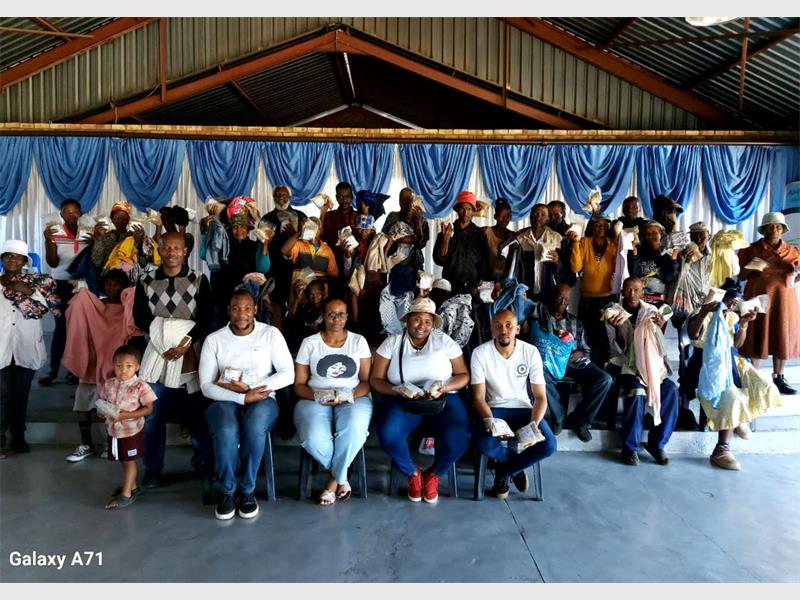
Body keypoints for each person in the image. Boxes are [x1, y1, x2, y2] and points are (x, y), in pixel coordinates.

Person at [199, 289, 294, 520]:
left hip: (262, 398)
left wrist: (253, 390)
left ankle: (247, 490)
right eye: (236, 308)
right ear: (228, 311)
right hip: (224, 399)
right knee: (226, 429)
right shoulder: (214, 340)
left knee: (255, 424)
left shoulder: (270, 334)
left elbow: (287, 374)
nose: (242, 313)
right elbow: (206, 385)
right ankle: (228, 491)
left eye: (247, 308)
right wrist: (241, 398)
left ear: (255, 310)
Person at [132, 231, 214, 492]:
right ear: (160, 249)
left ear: (185, 250)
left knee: (197, 414)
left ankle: (202, 462)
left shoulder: (199, 279)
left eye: (176, 248)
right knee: (152, 415)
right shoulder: (145, 280)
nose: (171, 252)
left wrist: (183, 343)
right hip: (158, 356)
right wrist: (165, 341)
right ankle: (153, 468)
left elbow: (205, 317)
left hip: (189, 356)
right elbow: (140, 317)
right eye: (166, 247)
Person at [370, 297, 471, 504]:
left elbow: (463, 375)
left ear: (432, 323)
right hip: (404, 401)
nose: (421, 326)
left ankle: (435, 474)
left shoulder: (444, 341)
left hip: (442, 399)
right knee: (388, 433)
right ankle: (412, 473)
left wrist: (444, 387)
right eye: (417, 319)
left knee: (460, 435)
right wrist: (396, 390)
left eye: (427, 321)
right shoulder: (392, 342)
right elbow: (375, 379)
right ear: (407, 320)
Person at [685, 280, 780, 470]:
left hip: (732, 361)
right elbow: (693, 335)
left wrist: (743, 324)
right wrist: (704, 312)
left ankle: (739, 418)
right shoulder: (704, 316)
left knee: (764, 385)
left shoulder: (731, 318)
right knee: (732, 397)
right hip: (707, 362)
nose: (731, 307)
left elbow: (736, 345)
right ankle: (722, 449)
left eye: (735, 304)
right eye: (729, 303)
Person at [293, 297, 373, 505]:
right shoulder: (309, 343)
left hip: (353, 396)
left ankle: (331, 482)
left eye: (341, 314)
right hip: (314, 397)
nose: (337, 319)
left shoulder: (358, 342)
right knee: (312, 436)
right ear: (323, 316)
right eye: (331, 314)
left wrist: (346, 396)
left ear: (347, 317)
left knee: (354, 429)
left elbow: (367, 381)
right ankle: (341, 477)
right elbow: (299, 385)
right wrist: (319, 396)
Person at [471, 309, 557, 499]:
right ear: (491, 329)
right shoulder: (480, 353)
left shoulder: (530, 351)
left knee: (548, 444)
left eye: (509, 325)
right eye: (498, 326)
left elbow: (540, 397)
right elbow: (478, 398)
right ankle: (515, 468)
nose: (504, 330)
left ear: (517, 329)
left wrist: (533, 425)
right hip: (494, 409)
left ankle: (505, 471)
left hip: (524, 409)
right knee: (484, 443)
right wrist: (491, 421)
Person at [62, 269, 140, 463]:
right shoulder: (95, 306)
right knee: (82, 404)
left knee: (112, 407)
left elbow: (134, 308)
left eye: (116, 284)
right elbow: (79, 311)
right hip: (93, 361)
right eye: (108, 283)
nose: (111, 287)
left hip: (116, 368)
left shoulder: (126, 310)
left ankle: (110, 442)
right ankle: (86, 443)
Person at [605, 277, 679, 466]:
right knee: (636, 391)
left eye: (636, 290)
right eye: (628, 290)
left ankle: (657, 444)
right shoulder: (612, 312)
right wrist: (619, 328)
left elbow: (656, 345)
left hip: (651, 367)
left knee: (671, 390)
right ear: (622, 292)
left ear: (642, 292)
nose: (632, 294)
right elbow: (618, 349)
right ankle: (630, 448)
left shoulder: (651, 311)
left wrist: (659, 326)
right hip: (625, 366)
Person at [0, 240, 61, 456]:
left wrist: (27, 290)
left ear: (25, 261)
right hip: (2, 347)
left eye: (17, 256)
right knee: (2, 394)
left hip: (26, 347)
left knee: (21, 394)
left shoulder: (39, 283)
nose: (12, 259)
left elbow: (46, 309)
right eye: (7, 255)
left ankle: (18, 436)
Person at [537, 283, 613, 440]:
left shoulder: (576, 322)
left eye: (566, 299)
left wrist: (579, 353)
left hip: (574, 363)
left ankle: (582, 420)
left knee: (605, 379)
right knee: (540, 377)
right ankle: (559, 418)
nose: (562, 302)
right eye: (559, 297)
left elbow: (586, 349)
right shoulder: (542, 320)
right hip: (550, 364)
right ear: (553, 297)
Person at [737, 212, 800, 395]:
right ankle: (752, 378)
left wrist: (797, 272)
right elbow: (740, 276)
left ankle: (778, 377)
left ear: (783, 230)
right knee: (756, 333)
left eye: (778, 226)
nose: (774, 229)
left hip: (784, 300)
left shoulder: (793, 251)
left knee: (782, 334)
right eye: (771, 226)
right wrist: (753, 267)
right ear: (764, 229)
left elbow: (795, 279)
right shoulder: (750, 249)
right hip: (757, 297)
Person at [97, 345, 157, 510]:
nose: (123, 370)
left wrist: (126, 415)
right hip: (114, 430)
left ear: (137, 366)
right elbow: (103, 402)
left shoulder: (140, 386)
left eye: (129, 366)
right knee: (123, 459)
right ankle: (132, 486)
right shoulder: (109, 383)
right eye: (119, 366)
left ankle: (126, 495)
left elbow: (149, 408)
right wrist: (102, 412)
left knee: (130, 461)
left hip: (131, 431)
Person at [39, 199, 90, 386]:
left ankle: (75, 370)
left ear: (80, 214)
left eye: (74, 211)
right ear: (61, 215)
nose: (71, 215)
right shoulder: (55, 232)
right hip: (60, 283)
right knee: (61, 327)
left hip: (83, 285)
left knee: (80, 328)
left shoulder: (89, 232)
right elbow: (52, 263)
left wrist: (96, 241)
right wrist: (48, 240)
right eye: (66, 212)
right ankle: (53, 370)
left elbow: (96, 258)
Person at [568, 212, 618, 365]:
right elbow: (576, 267)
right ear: (591, 226)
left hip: (608, 298)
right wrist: (575, 243)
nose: (601, 227)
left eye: (604, 224)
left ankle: (605, 370)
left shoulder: (614, 244)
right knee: (586, 337)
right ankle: (590, 369)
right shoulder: (584, 242)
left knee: (606, 338)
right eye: (597, 224)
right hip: (587, 299)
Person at [209, 211, 270, 328]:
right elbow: (215, 271)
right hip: (224, 296)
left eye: (242, 227)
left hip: (249, 296)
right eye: (235, 227)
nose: (239, 230)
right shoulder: (222, 246)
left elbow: (263, 268)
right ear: (230, 230)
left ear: (248, 230)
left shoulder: (255, 246)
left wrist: (265, 246)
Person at [434, 191, 489, 295]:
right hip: (450, 285)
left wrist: (481, 279)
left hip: (472, 285)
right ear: (457, 210)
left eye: (469, 209)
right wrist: (445, 240)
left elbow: (484, 260)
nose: (465, 212)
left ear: (473, 211)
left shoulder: (479, 234)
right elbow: (439, 260)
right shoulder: (447, 230)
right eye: (462, 208)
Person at [263, 186, 306, 306]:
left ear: (290, 197)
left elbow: (308, 244)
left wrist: (294, 235)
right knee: (276, 306)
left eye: (284, 195)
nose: (280, 197)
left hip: (296, 268)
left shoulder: (301, 216)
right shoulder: (267, 218)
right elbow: (262, 244)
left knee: (297, 305)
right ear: (273, 198)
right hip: (274, 269)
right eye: (277, 195)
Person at [514, 203, 563, 301]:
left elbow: (563, 270)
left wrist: (557, 261)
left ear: (548, 218)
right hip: (525, 293)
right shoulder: (520, 239)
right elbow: (516, 269)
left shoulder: (556, 238)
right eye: (535, 214)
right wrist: (519, 289)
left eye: (543, 214)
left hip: (548, 292)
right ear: (530, 216)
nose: (538, 217)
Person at [627, 220, 679, 308]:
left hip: (660, 303)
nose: (650, 236)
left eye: (654, 232)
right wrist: (634, 254)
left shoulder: (668, 255)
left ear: (661, 234)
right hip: (639, 302)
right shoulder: (639, 251)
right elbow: (634, 275)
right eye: (647, 233)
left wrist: (673, 258)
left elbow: (668, 278)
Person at [381, 187, 429, 272]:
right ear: (399, 202)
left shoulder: (422, 220)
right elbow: (383, 240)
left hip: (415, 265)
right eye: (405, 200)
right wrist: (400, 241)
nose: (409, 203)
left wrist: (418, 223)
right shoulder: (393, 217)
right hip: (395, 265)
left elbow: (421, 244)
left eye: (411, 199)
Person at [285, 278, 327, 355]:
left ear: (323, 293)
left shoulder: (329, 308)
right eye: (311, 294)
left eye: (318, 293)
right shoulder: (304, 307)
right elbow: (290, 317)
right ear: (307, 295)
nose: (315, 298)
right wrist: (297, 298)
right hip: (299, 349)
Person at [484, 198, 516, 278]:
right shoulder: (486, 232)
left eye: (508, 215)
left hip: (507, 280)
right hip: (488, 279)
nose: (505, 219)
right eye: (502, 215)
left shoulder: (513, 236)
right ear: (495, 216)